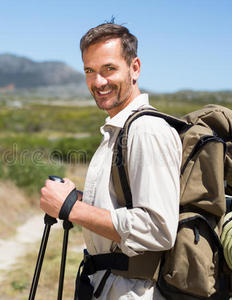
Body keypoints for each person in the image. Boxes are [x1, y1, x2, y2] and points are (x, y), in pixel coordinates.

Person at [40, 23, 182, 299]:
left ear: (135, 68)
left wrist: (72, 209)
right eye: (89, 71)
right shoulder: (120, 129)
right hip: (112, 285)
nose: (98, 82)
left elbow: (158, 228)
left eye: (109, 69)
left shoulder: (146, 130)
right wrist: (78, 199)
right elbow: (124, 204)